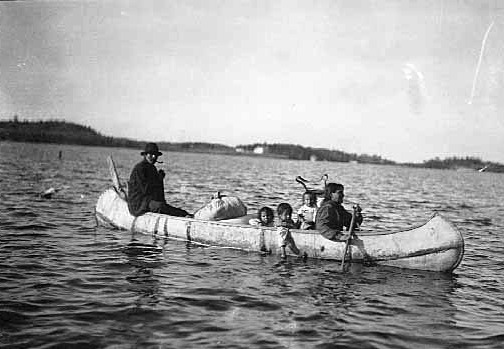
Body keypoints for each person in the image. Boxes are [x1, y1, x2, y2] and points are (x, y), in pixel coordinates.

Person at [127, 142, 191, 217]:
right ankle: (184, 214)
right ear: (145, 155)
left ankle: (185, 214)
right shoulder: (140, 169)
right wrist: (159, 179)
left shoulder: (152, 168)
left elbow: (157, 192)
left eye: (155, 155)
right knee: (160, 206)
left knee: (162, 206)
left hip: (147, 201)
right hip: (138, 204)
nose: (153, 157)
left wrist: (159, 180)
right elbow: (146, 190)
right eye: (151, 154)